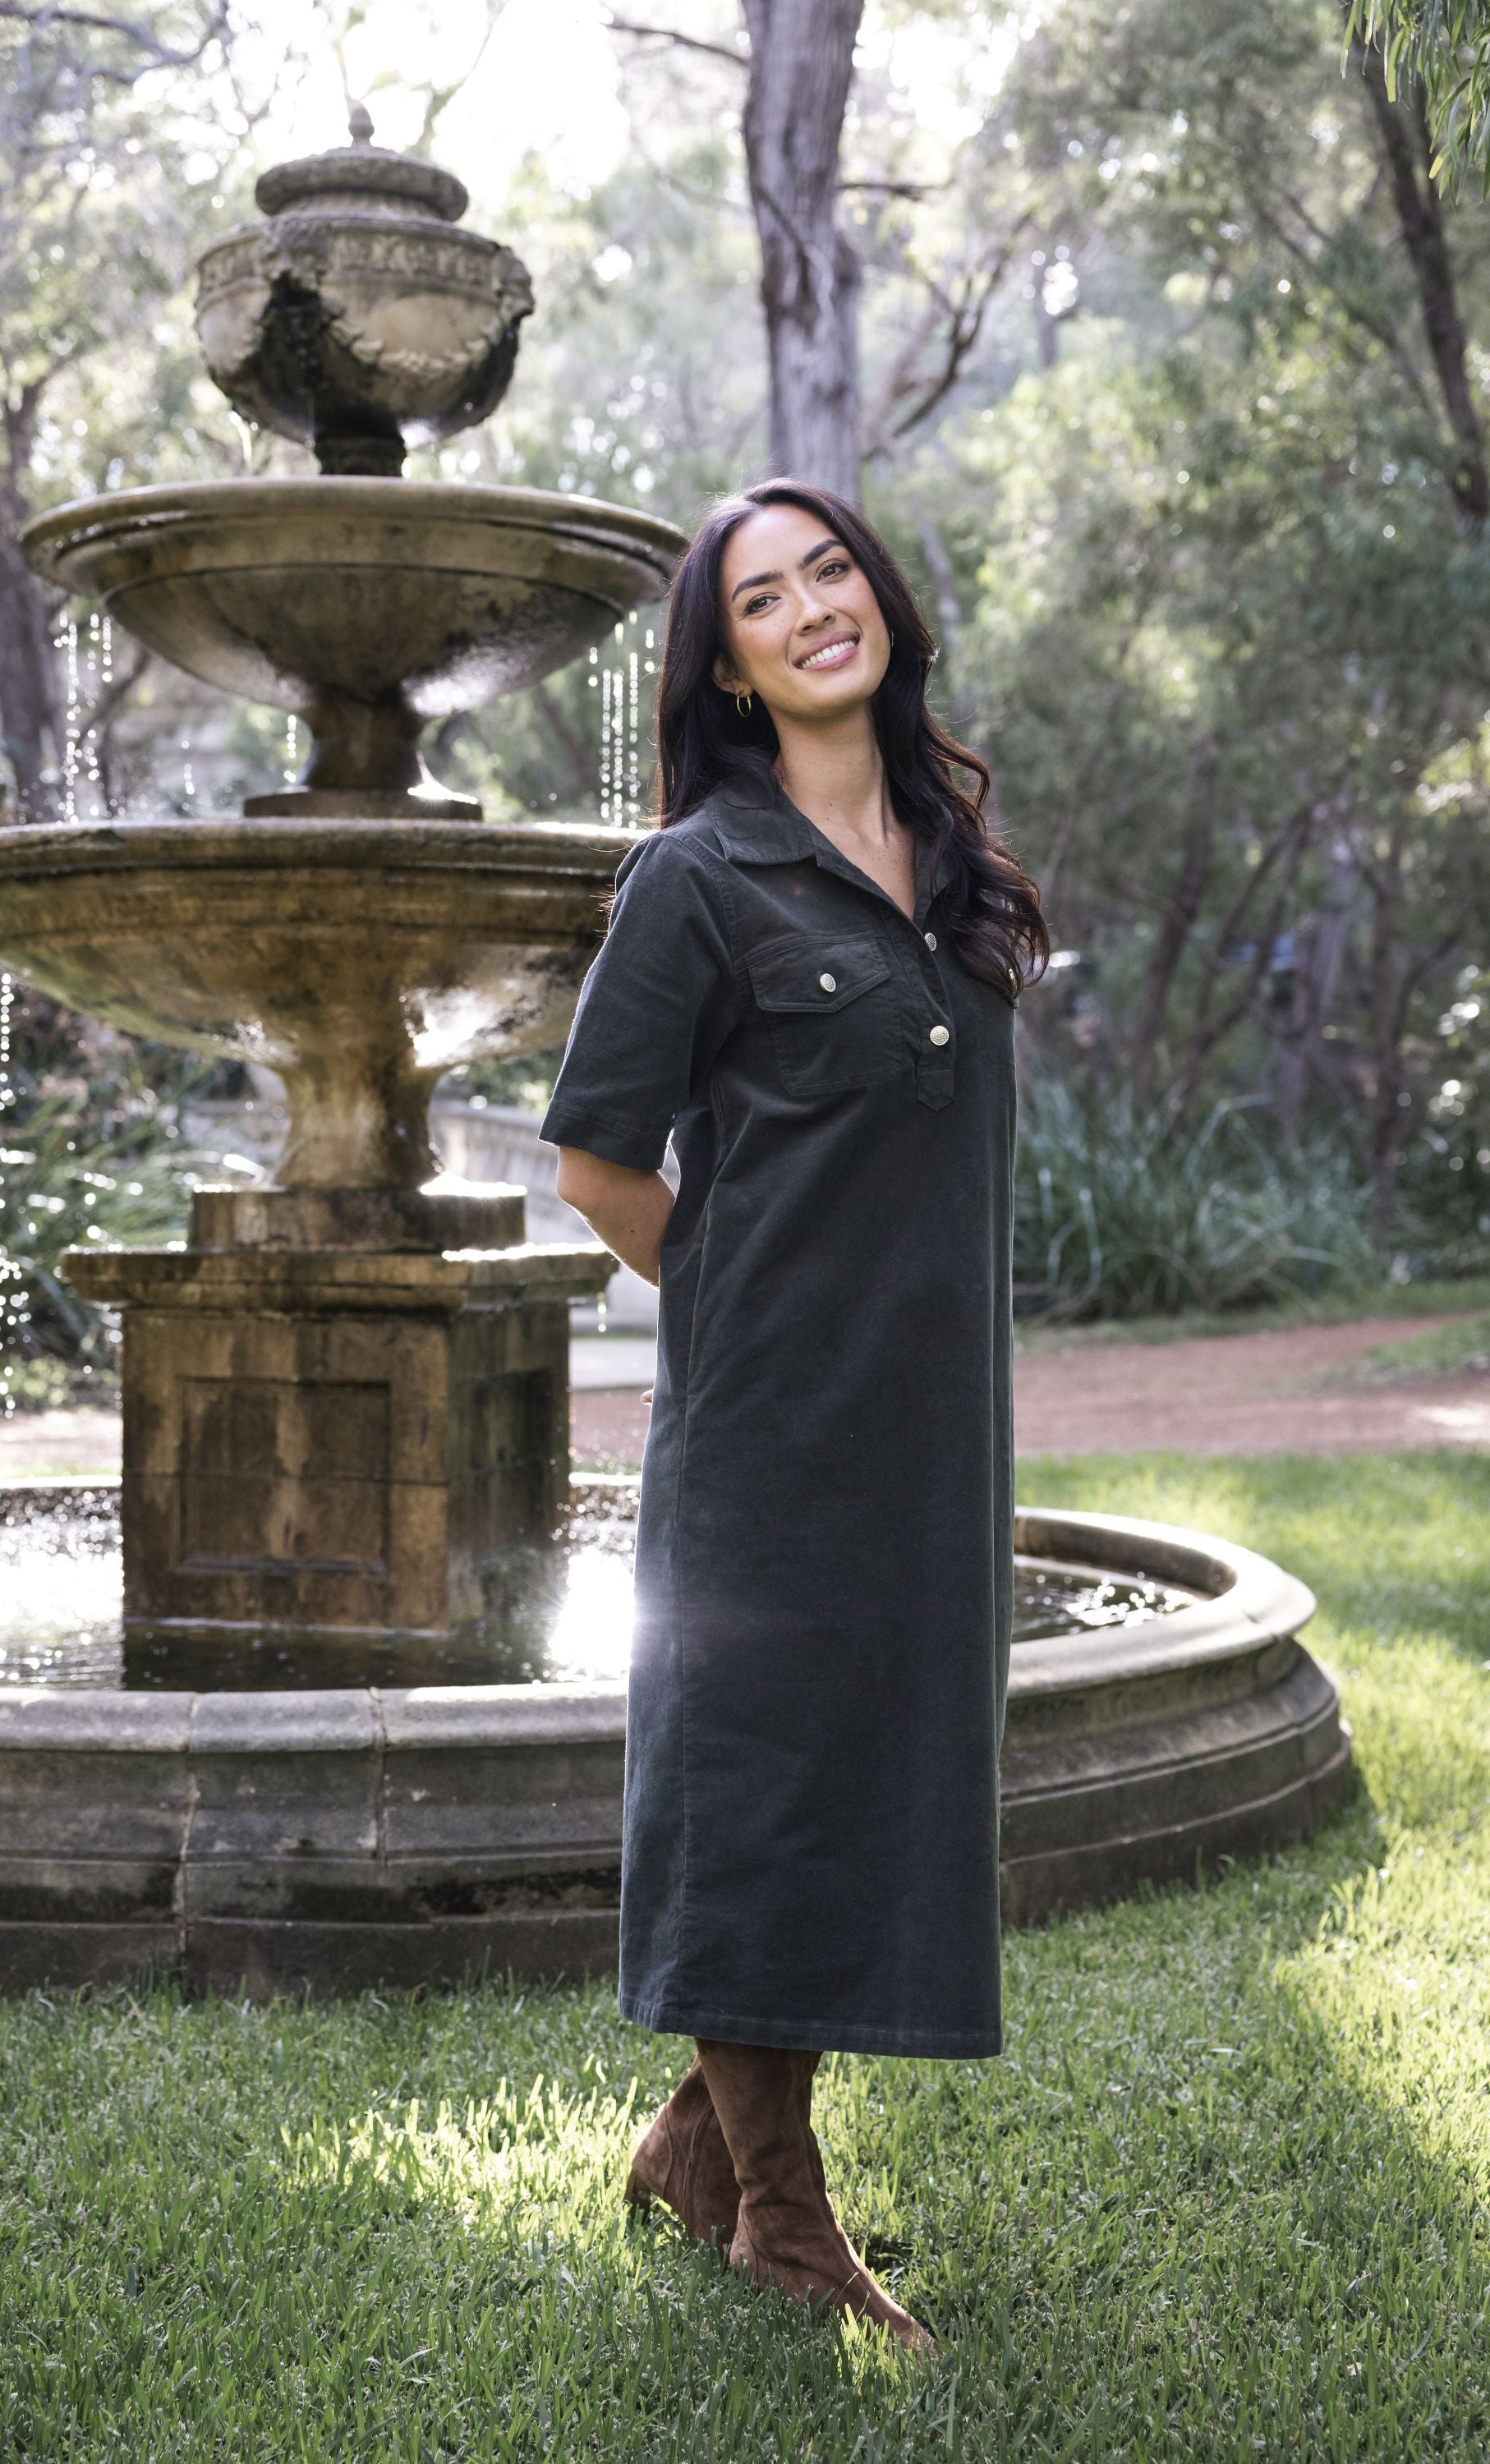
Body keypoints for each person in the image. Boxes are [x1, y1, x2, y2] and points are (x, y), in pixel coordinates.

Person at [540, 480, 1046, 2351]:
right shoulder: (694, 877)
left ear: (880, 602)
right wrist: (758, 1320)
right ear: (731, 670)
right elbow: (597, 1165)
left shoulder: (949, 845)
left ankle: (698, 2134)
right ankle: (776, 2214)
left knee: (872, 1771)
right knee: (761, 1784)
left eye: (831, 569)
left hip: (929, 1422)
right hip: (768, 1423)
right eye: (766, 598)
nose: (814, 607)